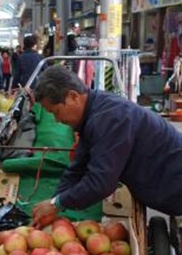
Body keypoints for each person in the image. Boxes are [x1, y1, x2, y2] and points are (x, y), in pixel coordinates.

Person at [31, 65, 182, 226]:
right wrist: (55, 202)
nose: (57, 120)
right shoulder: (93, 112)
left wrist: (57, 204)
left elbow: (101, 183)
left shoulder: (110, 118)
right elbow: (78, 168)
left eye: (56, 112)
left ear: (73, 96)